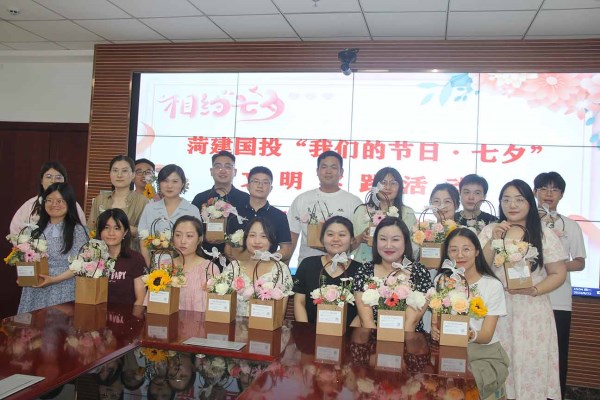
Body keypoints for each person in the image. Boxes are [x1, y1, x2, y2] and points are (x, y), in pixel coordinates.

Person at [479, 179, 567, 400]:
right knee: (498, 367)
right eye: (506, 199)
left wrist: (535, 290)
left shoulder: (543, 233)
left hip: (532, 310)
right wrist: (494, 240)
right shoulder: (490, 230)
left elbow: (558, 273)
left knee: (530, 365)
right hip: (496, 311)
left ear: (529, 202)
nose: (512, 205)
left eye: (519, 199)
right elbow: (479, 269)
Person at [431, 228, 509, 399]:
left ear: (477, 252)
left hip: (483, 354)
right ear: (447, 254)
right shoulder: (441, 281)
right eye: (453, 250)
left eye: (466, 249)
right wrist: (434, 330)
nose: (460, 255)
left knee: (463, 389)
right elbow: (437, 320)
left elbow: (486, 335)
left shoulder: (492, 285)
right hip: (448, 353)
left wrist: (469, 334)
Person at [533, 171, 586, 399]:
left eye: (554, 189)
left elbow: (580, 262)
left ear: (561, 194)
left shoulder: (571, 225)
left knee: (558, 352)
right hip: (529, 297)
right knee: (530, 350)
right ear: (535, 192)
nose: (549, 193)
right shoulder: (525, 223)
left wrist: (555, 267)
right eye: (544, 188)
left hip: (559, 300)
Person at [17, 183, 88, 313]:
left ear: (69, 203)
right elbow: (27, 259)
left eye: (60, 201)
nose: (54, 204)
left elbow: (80, 265)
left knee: (56, 324)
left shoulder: (77, 230)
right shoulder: (35, 229)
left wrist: (54, 280)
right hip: (34, 289)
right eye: (49, 200)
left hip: (62, 289)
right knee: (32, 324)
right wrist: (25, 275)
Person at [353, 217, 433, 331]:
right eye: (383, 239)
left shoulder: (419, 272)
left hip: (409, 338)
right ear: (376, 241)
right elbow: (366, 321)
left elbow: (411, 323)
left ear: (405, 241)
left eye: (395, 239)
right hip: (371, 336)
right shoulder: (365, 270)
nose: (388, 245)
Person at [287, 150, 362, 264]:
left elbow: (357, 239)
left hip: (342, 266)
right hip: (307, 265)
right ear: (317, 171)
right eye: (324, 167)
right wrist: (285, 265)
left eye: (333, 167)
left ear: (341, 172)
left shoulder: (354, 202)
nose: (328, 171)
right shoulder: (302, 199)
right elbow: (292, 236)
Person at [293, 216, 360, 327]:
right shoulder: (308, 264)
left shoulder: (360, 269)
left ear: (352, 240)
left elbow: (363, 311)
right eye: (330, 234)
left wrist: (349, 334)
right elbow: (299, 302)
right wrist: (305, 330)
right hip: (310, 332)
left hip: (348, 334)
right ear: (322, 239)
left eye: (342, 235)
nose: (336, 239)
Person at [223, 217, 294, 317]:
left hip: (266, 326)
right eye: (252, 235)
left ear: (271, 240)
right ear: (245, 239)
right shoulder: (233, 268)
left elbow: (279, 315)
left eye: (263, 236)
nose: (257, 241)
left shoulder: (280, 270)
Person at [225, 166, 292, 261]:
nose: (260, 185)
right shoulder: (234, 213)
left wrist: (268, 259)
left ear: (271, 188)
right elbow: (228, 247)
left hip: (267, 267)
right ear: (248, 186)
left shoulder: (279, 216)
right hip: (238, 267)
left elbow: (287, 250)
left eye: (265, 182)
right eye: (256, 181)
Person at [138, 164, 200, 267]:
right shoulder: (150, 208)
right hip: (156, 266)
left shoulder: (192, 210)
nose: (169, 186)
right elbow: (143, 241)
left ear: (182, 183)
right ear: (159, 183)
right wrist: (150, 267)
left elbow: (196, 241)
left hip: (184, 266)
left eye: (175, 181)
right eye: (165, 181)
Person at [352, 167, 417, 263]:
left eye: (393, 183)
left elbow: (412, 248)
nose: (387, 187)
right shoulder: (362, 210)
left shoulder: (408, 213)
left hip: (397, 267)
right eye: (383, 182)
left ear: (400, 188)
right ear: (375, 187)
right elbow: (348, 246)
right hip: (363, 264)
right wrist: (361, 238)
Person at [191, 150, 250, 255]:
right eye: (218, 166)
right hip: (203, 257)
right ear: (211, 171)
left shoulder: (245, 199)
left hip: (236, 258)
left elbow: (250, 231)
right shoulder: (200, 198)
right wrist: (204, 237)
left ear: (235, 172)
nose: (222, 171)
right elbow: (190, 229)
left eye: (228, 167)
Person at [88, 155, 148, 250]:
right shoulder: (100, 199)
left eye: (124, 171)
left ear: (133, 175)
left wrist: (122, 227)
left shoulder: (142, 201)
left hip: (131, 252)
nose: (119, 175)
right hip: (102, 253)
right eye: (115, 170)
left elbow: (145, 233)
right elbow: (91, 228)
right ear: (110, 174)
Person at [10, 161, 86, 235]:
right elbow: (15, 230)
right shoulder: (29, 205)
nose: (53, 181)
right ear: (41, 181)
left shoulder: (72, 204)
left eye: (58, 177)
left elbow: (82, 229)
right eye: (49, 177)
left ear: (64, 181)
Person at [97, 208, 146, 305]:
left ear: (125, 232)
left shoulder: (136, 259)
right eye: (106, 227)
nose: (111, 233)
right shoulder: (91, 258)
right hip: (96, 313)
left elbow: (140, 299)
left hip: (128, 314)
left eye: (117, 228)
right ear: (100, 231)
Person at [172, 216, 218, 312]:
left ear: (199, 239)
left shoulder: (209, 268)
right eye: (178, 235)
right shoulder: (164, 266)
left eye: (189, 236)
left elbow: (216, 307)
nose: (182, 241)